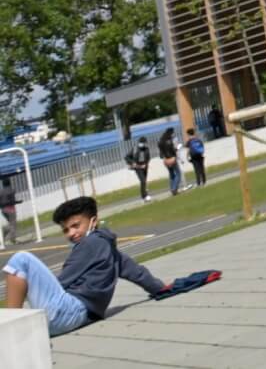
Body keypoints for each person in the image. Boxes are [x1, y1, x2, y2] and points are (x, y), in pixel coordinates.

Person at [3, 196, 167, 336]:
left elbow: (62, 283)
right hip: (84, 315)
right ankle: (16, 324)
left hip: (70, 311)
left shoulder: (90, 243)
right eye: (65, 230)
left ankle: (12, 326)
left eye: (76, 226)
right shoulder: (108, 247)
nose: (71, 233)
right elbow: (137, 273)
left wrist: (34, 289)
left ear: (93, 221)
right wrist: (161, 288)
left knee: (21, 259)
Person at [122, 137, 150, 203]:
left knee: (144, 181)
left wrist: (145, 164)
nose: (144, 144)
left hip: (144, 167)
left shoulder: (147, 149)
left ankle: (145, 193)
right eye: (143, 143)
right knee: (143, 180)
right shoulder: (134, 149)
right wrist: (132, 163)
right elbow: (126, 157)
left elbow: (148, 158)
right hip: (137, 167)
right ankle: (144, 196)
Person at [157, 127, 181, 196]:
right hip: (172, 159)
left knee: (171, 175)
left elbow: (161, 154)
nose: (173, 134)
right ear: (171, 133)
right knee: (178, 174)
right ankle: (174, 188)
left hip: (165, 160)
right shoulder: (169, 141)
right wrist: (177, 149)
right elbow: (172, 150)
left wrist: (165, 158)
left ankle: (172, 189)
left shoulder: (161, 141)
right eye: (173, 133)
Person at [0, 177, 16, 247]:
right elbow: (12, 201)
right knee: (12, 224)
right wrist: (18, 202)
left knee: (10, 224)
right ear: (9, 183)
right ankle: (12, 239)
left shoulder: (1, 191)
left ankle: (2, 237)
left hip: (3, 210)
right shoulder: (12, 190)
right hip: (11, 209)